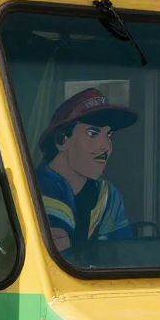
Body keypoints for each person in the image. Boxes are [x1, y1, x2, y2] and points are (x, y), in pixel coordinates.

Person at [35, 87, 137, 252]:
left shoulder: (108, 196)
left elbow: (124, 253)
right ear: (62, 140)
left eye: (109, 135)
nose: (105, 146)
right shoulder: (32, 189)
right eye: (93, 134)